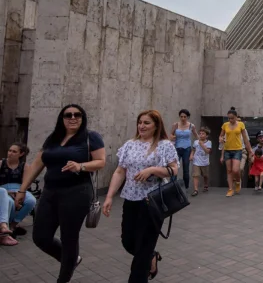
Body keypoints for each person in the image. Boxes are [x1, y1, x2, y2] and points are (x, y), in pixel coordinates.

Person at [15, 104, 106, 283]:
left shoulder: (91, 137)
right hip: (50, 192)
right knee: (40, 237)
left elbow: (101, 162)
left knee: (69, 237)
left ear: (83, 117)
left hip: (77, 193)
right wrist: (22, 189)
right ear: (62, 118)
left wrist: (81, 166)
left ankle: (63, 277)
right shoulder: (53, 138)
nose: (73, 118)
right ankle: (71, 260)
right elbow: (36, 165)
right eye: (68, 115)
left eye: (77, 115)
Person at [102, 109, 179, 282]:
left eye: (146, 123)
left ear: (156, 125)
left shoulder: (164, 145)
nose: (141, 126)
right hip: (131, 198)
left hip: (153, 201)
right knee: (128, 241)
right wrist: (108, 197)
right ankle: (152, 256)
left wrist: (152, 170)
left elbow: (174, 170)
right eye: (140, 122)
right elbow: (120, 171)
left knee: (143, 247)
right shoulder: (130, 144)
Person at [1, 143, 36, 243]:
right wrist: (8, 192)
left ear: (21, 154)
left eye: (14, 151)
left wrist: (19, 194)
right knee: (9, 202)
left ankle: (13, 224)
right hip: (3, 189)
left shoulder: (24, 166)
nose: (10, 153)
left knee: (31, 200)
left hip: (19, 189)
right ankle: (5, 226)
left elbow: (26, 184)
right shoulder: (1, 163)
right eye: (9, 150)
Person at [219, 107, 252, 197]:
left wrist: (250, 151)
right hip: (227, 150)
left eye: (232, 118)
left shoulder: (241, 125)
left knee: (236, 170)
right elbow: (221, 135)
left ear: (236, 117)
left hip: (237, 149)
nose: (230, 120)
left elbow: (245, 139)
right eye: (229, 118)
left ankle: (237, 181)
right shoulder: (225, 125)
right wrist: (221, 139)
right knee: (229, 171)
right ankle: (230, 189)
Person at [170, 109, 199, 190]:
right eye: (181, 117)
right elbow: (171, 135)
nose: (183, 118)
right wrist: (172, 137)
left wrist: (200, 143)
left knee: (186, 168)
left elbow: (196, 136)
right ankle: (172, 186)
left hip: (187, 148)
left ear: (188, 117)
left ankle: (186, 187)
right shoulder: (175, 125)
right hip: (177, 148)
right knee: (174, 167)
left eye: (185, 117)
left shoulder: (191, 126)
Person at [190, 127, 212, 196]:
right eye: (200, 134)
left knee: (205, 175)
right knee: (196, 175)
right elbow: (193, 149)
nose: (201, 135)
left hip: (205, 162)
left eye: (203, 134)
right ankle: (196, 190)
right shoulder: (196, 142)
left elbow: (207, 151)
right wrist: (191, 155)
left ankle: (205, 185)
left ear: (206, 135)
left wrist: (202, 144)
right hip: (196, 161)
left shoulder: (209, 142)